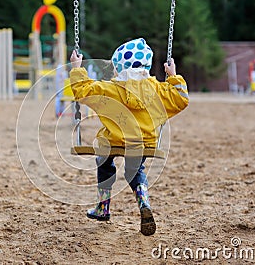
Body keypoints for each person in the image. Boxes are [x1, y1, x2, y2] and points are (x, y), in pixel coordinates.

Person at [69, 38, 189, 236]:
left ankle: (103, 207)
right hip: (144, 143)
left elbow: (82, 90)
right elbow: (182, 99)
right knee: (134, 170)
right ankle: (143, 200)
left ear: (119, 67)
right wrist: (173, 76)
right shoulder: (158, 90)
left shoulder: (109, 90)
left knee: (104, 161)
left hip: (113, 141)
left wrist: (77, 68)